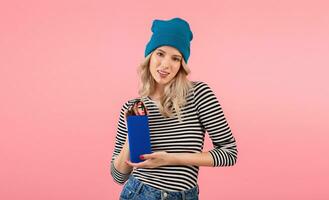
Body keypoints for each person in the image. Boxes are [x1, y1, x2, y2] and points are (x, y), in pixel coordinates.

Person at [110, 17, 238, 200]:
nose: (165, 65)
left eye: (175, 58)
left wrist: (170, 159)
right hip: (139, 193)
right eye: (160, 54)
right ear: (150, 57)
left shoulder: (199, 94)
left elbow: (229, 153)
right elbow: (118, 176)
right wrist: (134, 130)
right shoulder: (133, 107)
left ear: (181, 65)